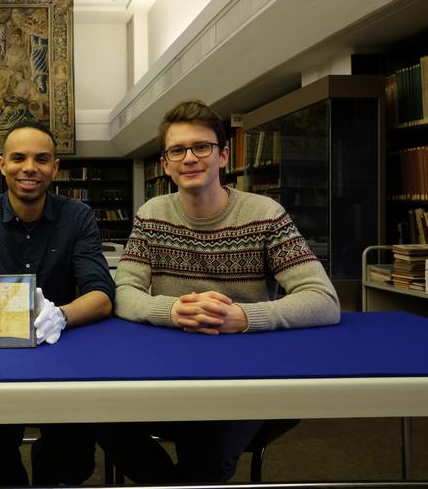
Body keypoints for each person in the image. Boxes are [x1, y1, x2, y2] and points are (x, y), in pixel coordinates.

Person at [98, 100, 340, 484]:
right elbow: (124, 291)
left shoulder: (265, 214)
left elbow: (323, 299)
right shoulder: (152, 215)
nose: (189, 158)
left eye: (202, 147)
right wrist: (173, 310)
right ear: (165, 163)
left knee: (203, 447)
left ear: (223, 155)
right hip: (167, 370)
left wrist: (244, 317)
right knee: (98, 416)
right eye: (177, 150)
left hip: (246, 376)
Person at [0, 120, 115, 486]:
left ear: (55, 168)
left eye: (41, 159)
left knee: (75, 460)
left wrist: (61, 315)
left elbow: (102, 294)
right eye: (19, 158)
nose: (30, 167)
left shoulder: (78, 217)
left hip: (63, 351)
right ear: (2, 165)